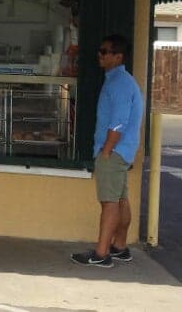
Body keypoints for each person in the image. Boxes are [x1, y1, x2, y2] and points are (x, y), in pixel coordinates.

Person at [71, 34, 143, 268]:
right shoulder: (120, 80)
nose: (99, 55)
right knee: (121, 199)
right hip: (121, 152)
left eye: (104, 52)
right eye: (100, 51)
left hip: (113, 152)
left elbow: (118, 123)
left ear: (118, 56)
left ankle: (101, 253)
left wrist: (106, 150)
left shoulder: (120, 84)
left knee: (109, 202)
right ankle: (119, 246)